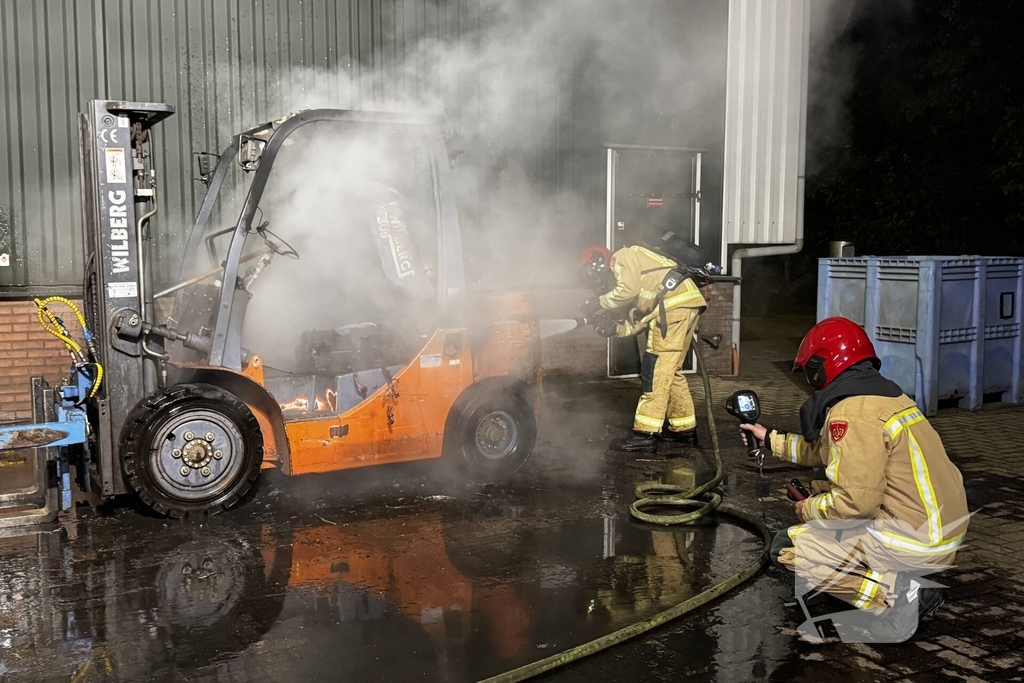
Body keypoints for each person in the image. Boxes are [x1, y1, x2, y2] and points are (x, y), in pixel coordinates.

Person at [739, 317, 970, 642]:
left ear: (821, 367)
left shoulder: (853, 414)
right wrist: (769, 439)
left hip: (916, 540)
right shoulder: (886, 398)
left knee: (790, 547)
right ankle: (892, 579)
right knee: (825, 488)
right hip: (938, 527)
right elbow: (822, 450)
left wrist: (807, 509)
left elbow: (855, 503)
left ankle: (901, 601)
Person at [580, 233, 709, 453]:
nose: (599, 284)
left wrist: (598, 302)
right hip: (685, 304)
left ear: (599, 263)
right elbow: (640, 320)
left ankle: (644, 435)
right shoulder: (639, 272)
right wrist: (616, 329)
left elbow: (625, 291)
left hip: (672, 308)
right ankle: (683, 430)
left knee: (656, 369)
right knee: (671, 370)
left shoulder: (622, 257)